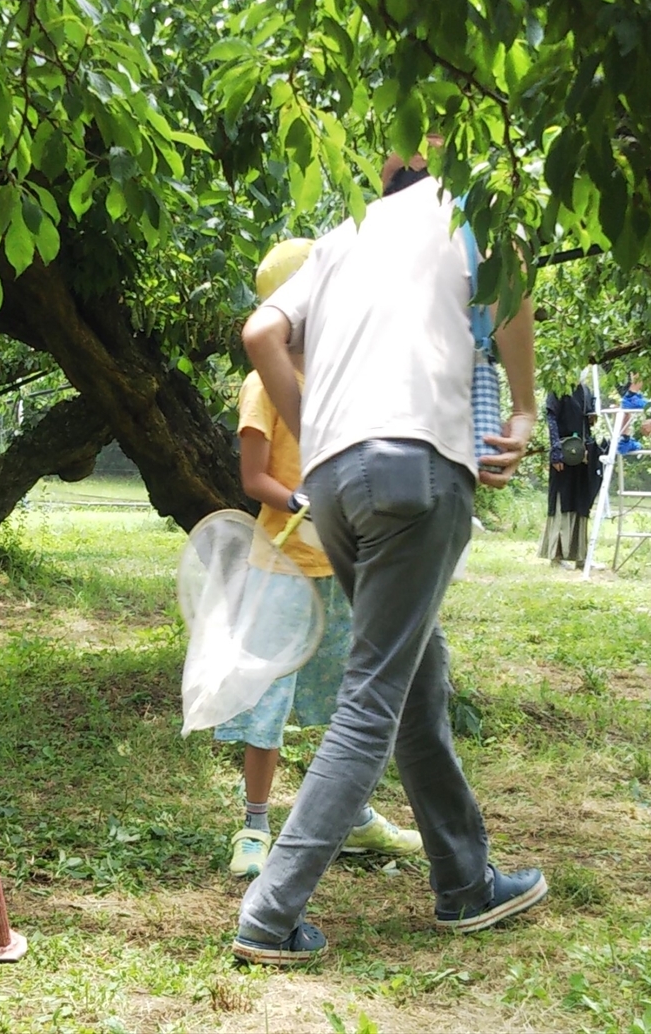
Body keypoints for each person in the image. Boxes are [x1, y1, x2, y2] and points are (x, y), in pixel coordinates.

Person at [232, 144, 546, 966]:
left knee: (415, 680)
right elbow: (509, 287)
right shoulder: (473, 203)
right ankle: (269, 913)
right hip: (416, 468)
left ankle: (464, 881)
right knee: (373, 698)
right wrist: (522, 409)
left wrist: (314, 429)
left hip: (335, 483)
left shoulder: (343, 236)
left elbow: (262, 330)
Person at [218, 239, 423, 879]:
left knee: (346, 699)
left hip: (340, 563)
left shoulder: (341, 379)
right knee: (270, 702)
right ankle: (254, 827)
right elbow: (254, 478)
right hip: (281, 567)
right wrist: (301, 495)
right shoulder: (263, 384)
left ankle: (353, 817)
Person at [539, 380, 601, 568]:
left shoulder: (586, 390)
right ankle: (556, 556)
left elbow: (588, 423)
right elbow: (551, 418)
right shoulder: (558, 386)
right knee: (562, 500)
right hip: (564, 454)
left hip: (582, 455)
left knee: (581, 502)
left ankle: (580, 557)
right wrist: (556, 451)